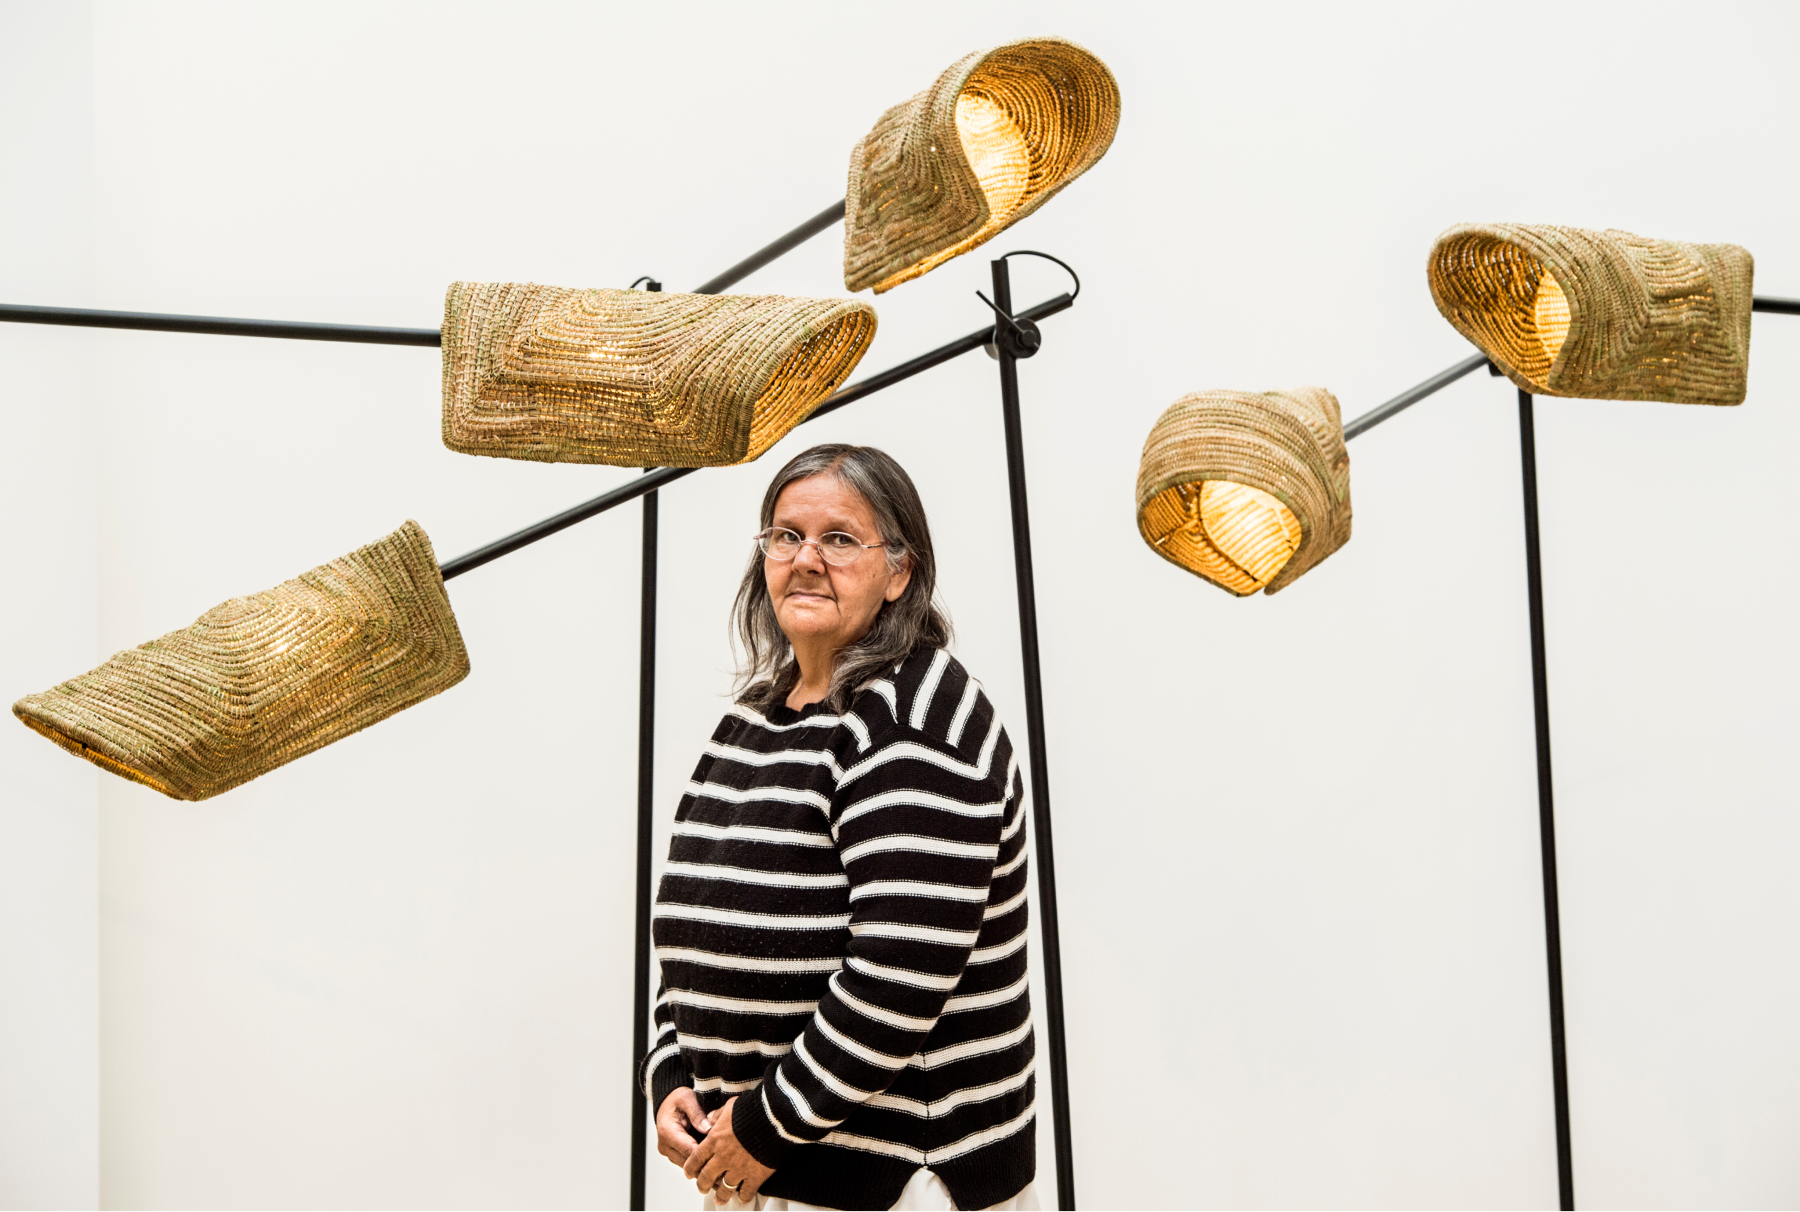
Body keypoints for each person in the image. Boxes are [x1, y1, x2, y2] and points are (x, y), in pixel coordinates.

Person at [636, 444, 1038, 1212]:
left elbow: (896, 977)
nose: (806, 559)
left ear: (900, 571)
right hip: (763, 1164)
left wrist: (763, 1127)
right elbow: (688, 931)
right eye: (785, 536)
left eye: (839, 539)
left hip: (895, 1181)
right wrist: (672, 1075)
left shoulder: (918, 721)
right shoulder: (755, 718)